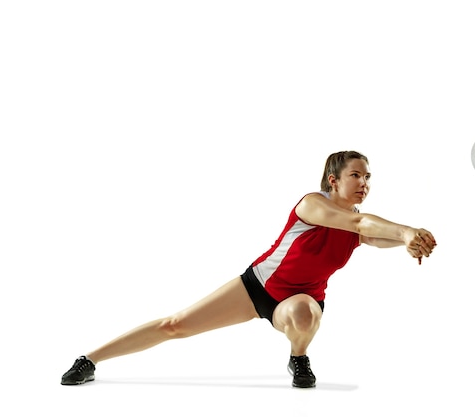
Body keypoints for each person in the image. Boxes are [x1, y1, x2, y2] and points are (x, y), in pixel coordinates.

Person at [60, 150, 437, 388]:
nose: (365, 183)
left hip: (300, 298)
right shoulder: (312, 204)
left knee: (304, 314)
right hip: (257, 286)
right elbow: (362, 227)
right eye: (357, 175)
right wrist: (405, 232)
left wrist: (407, 241)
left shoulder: (358, 221)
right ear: (333, 180)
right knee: (175, 325)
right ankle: (89, 360)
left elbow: (373, 234)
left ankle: (298, 357)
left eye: (368, 176)